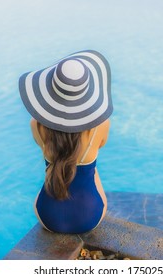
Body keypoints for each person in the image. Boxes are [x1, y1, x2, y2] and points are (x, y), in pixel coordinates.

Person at [18, 50, 113, 234]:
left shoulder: (36, 124)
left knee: (57, 166)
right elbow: (101, 144)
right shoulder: (101, 125)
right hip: (90, 217)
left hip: (47, 216)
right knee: (91, 169)